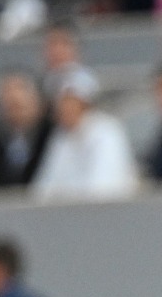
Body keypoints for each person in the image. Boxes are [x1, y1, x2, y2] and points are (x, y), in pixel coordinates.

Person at [31, 67, 139, 200]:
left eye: (70, 100)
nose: (64, 107)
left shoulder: (107, 131)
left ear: (84, 103)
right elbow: (43, 189)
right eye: (61, 101)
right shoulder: (60, 137)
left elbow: (103, 189)